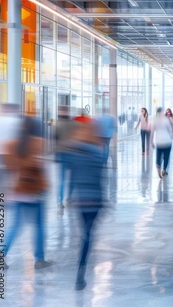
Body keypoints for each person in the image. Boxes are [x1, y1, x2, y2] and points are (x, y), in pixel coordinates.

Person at [1, 115, 53, 269]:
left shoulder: (11, 145)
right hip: (35, 192)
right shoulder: (39, 143)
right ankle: (39, 259)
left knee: (15, 226)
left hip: (18, 191)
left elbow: (10, 169)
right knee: (38, 225)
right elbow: (41, 168)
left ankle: (1, 253)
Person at [67, 121, 105, 290]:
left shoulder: (75, 153)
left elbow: (73, 179)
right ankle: (81, 268)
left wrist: (70, 197)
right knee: (89, 233)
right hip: (95, 199)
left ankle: (81, 269)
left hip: (81, 200)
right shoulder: (98, 153)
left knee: (85, 233)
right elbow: (100, 178)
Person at [54, 105, 78, 209]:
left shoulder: (57, 124)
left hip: (62, 153)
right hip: (73, 153)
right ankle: (69, 199)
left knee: (62, 179)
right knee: (72, 178)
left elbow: (54, 139)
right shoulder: (74, 124)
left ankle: (60, 201)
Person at [150, 107, 173, 178]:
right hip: (167, 141)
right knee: (166, 157)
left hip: (159, 142)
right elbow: (170, 131)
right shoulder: (166, 120)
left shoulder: (155, 121)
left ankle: (158, 167)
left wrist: (151, 142)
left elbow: (152, 132)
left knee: (158, 156)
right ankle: (164, 169)